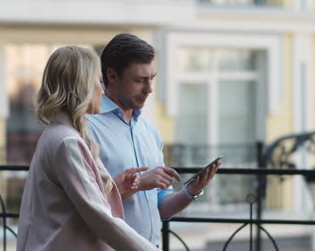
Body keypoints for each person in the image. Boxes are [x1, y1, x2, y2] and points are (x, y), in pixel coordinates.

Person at [17, 45, 159, 251]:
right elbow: (99, 216)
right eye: (98, 82)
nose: (102, 90)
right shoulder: (67, 141)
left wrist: (112, 187)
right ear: (81, 86)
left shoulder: (59, 133)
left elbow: (72, 203)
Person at [87, 34, 221, 246]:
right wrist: (140, 184)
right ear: (112, 76)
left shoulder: (148, 130)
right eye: (139, 80)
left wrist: (191, 191)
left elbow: (162, 207)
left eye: (152, 78)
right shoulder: (87, 128)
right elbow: (86, 204)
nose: (149, 89)